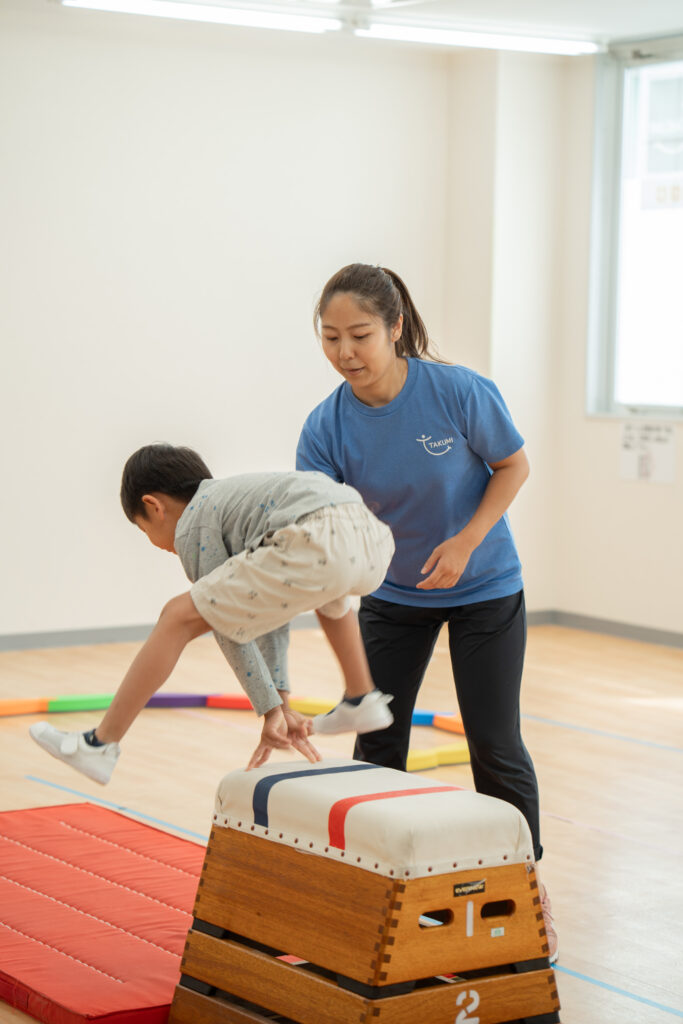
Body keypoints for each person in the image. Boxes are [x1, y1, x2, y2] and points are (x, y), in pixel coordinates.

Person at [296, 263, 557, 962]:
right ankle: (376, 888)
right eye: (330, 337)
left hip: (485, 590)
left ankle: (526, 893)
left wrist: (467, 541)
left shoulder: (457, 391)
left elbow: (513, 466)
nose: (345, 352)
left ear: (395, 328)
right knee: (376, 744)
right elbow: (319, 518)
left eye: (359, 335)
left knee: (494, 746)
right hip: (392, 597)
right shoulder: (326, 426)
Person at [29, 443, 395, 783]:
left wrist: (269, 708)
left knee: (177, 616)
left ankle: (101, 743)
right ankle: (360, 696)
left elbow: (228, 627)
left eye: (144, 530)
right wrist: (280, 707)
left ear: (154, 507)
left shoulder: (196, 520)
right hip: (370, 538)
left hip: (319, 536)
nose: (155, 544)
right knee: (331, 598)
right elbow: (272, 611)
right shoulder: (238, 500)